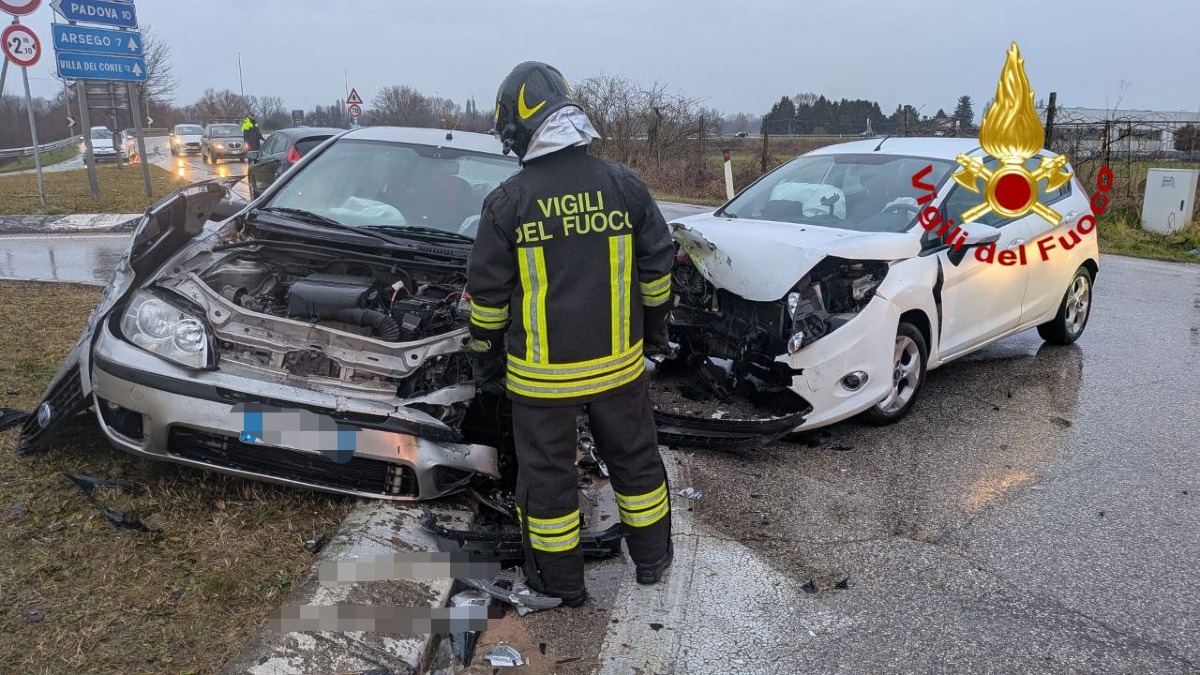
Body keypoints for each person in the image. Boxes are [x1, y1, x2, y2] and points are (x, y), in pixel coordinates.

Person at [465, 61, 675, 607]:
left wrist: (486, 365)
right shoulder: (623, 185)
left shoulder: (508, 202)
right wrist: (653, 337)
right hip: (618, 370)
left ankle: (561, 587)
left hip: (541, 381)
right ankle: (652, 562)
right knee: (636, 462)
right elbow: (658, 271)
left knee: (548, 483)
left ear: (518, 128)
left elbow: (487, 304)